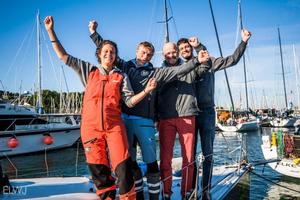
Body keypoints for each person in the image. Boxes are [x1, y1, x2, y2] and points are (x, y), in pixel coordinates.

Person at [89, 20, 210, 200]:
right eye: (143, 52)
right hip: (125, 119)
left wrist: (195, 62)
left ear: (153, 56)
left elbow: (178, 70)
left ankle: (158, 196)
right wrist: (94, 34)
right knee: (129, 161)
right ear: (137, 51)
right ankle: (138, 194)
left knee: (151, 161)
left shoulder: (155, 72)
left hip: (145, 122)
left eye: (149, 54)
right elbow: (107, 51)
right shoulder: (126, 66)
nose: (146, 56)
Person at [44, 16, 158, 200]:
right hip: (91, 129)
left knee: (123, 170)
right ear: (99, 54)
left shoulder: (121, 76)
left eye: (112, 52)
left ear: (115, 56)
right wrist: (50, 31)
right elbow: (63, 57)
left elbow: (129, 102)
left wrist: (146, 91)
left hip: (114, 128)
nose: (109, 54)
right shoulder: (88, 70)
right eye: (105, 51)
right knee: (100, 172)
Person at [178, 29, 251, 200]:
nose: (184, 50)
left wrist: (244, 41)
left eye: (186, 47)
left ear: (192, 46)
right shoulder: (181, 68)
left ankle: (206, 190)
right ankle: (192, 189)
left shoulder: (209, 62)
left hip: (207, 113)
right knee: (190, 155)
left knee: (208, 154)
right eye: (181, 49)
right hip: (189, 114)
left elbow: (232, 60)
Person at [157, 41, 207, 200]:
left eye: (173, 52)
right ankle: (166, 193)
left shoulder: (190, 66)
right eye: (168, 53)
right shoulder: (159, 72)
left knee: (189, 158)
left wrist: (200, 48)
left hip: (187, 115)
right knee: (165, 160)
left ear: (177, 51)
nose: (171, 55)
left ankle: (186, 192)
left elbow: (205, 67)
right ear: (163, 55)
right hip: (166, 118)